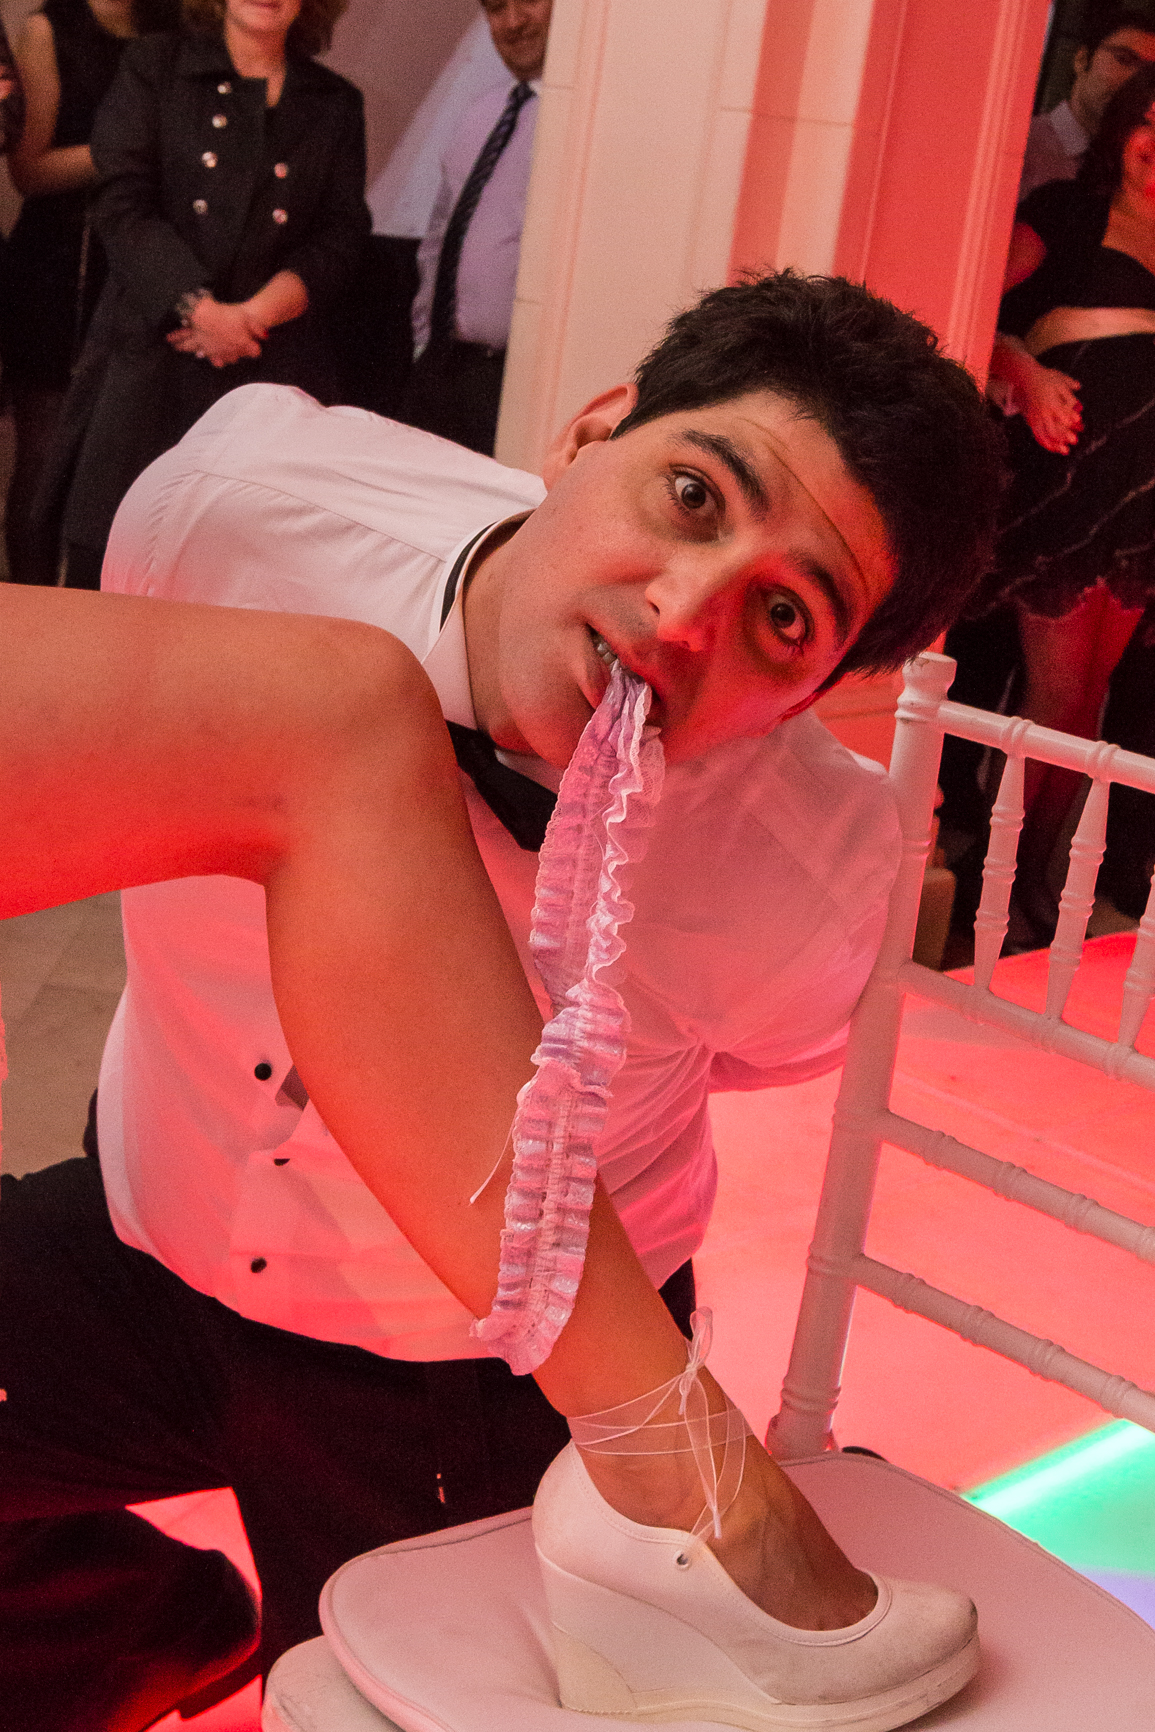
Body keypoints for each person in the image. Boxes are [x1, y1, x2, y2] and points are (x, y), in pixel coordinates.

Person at [0, 271, 1005, 1730]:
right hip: (151, 1221)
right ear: (590, 430)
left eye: (784, 619)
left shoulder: (814, 863)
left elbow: (763, 1052)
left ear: (812, 697)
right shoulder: (227, 513)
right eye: (689, 496)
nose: (681, 615)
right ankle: (129, 1630)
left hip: (465, 1367)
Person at [38, 0, 368, 592]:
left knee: (238, 590)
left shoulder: (335, 102)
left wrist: (253, 316)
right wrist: (199, 309)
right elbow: (121, 202)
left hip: (268, 379)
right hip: (150, 365)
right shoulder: (155, 65)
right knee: (110, 580)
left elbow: (339, 239)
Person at [971, 64, 1155, 937]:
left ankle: (1032, 882)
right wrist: (1023, 370)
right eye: (1148, 121)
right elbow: (963, 292)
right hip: (1066, 489)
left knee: (1090, 703)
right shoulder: (1067, 213)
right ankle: (994, 886)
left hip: (1140, 505)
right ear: (1122, 128)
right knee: (1054, 696)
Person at [0, 1, 178, 589]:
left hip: (145, 263)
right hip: (58, 267)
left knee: (128, 462)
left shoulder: (177, 26)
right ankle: (28, 612)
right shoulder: (48, 29)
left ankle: (98, 614)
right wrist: (132, 151)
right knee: (44, 456)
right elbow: (29, 170)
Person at [401, 0, 552, 455]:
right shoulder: (480, 113)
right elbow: (438, 241)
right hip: (443, 369)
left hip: (522, 383)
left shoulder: (584, 126)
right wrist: (425, 345)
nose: (513, 22)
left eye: (528, 1)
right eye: (496, 7)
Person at [1019, 7, 1155, 199]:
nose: (1134, 80)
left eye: (1148, 74)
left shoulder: (1137, 168)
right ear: (1082, 59)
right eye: (1123, 59)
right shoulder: (1024, 146)